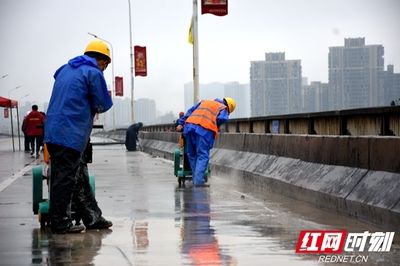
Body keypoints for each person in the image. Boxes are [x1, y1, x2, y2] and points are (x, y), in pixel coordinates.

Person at [44, 39, 113, 234]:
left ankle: (92, 217)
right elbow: (103, 103)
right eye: (105, 65)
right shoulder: (93, 72)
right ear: (102, 60)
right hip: (70, 132)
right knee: (65, 178)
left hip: (54, 129)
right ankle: (60, 222)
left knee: (76, 175)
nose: (104, 69)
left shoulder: (64, 69)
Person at [176, 97, 236, 187]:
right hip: (203, 130)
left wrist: (181, 123)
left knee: (192, 155)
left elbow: (190, 111)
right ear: (229, 107)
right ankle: (198, 182)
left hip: (189, 127)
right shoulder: (223, 108)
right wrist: (215, 124)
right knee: (202, 155)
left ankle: (196, 180)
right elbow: (223, 118)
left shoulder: (205, 102)